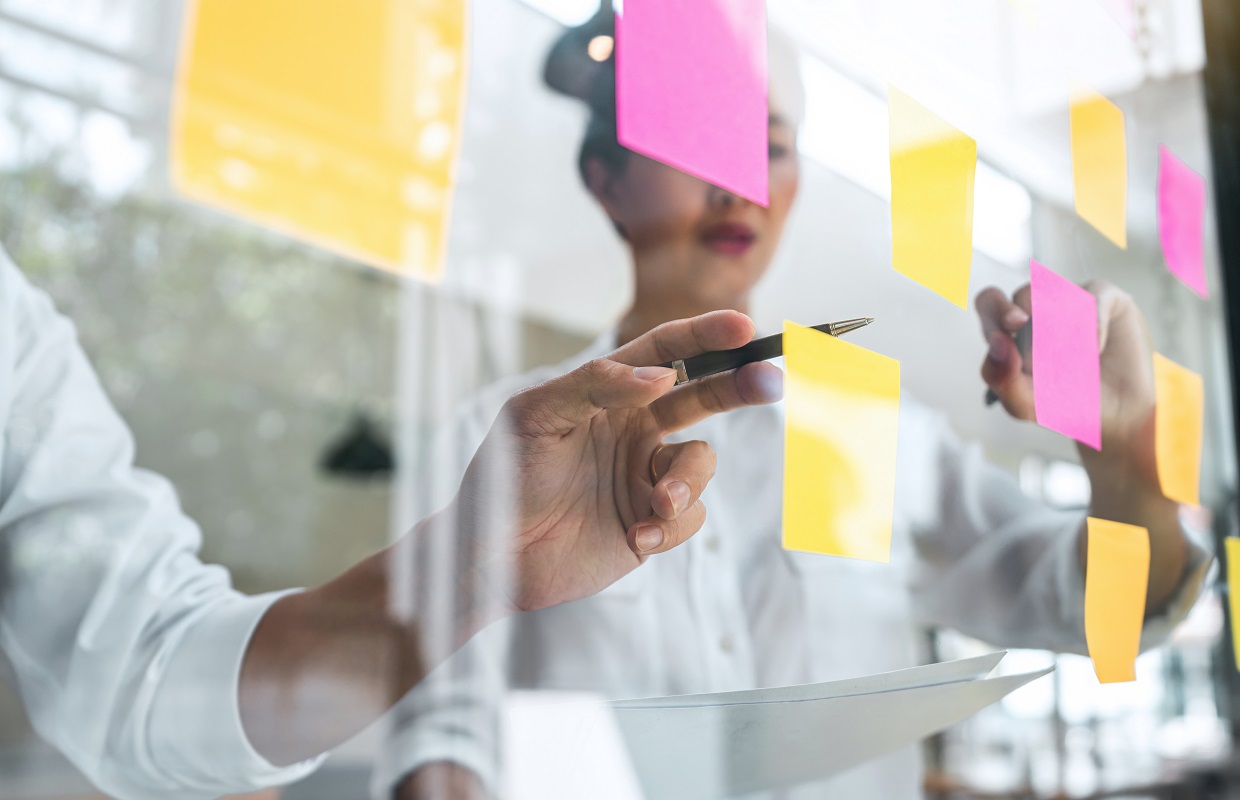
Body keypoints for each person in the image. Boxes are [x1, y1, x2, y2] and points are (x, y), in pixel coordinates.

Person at [383, 14, 1213, 800]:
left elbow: (1110, 607)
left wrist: (1126, 451)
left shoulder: (863, 430)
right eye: (694, 140)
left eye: (768, 146)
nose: (738, 183)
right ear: (605, 180)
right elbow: (440, 726)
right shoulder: (511, 440)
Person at [0, 239, 783, 799]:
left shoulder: (14, 335)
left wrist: (474, 572)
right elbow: (441, 745)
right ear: (604, 180)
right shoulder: (496, 420)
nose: (735, 188)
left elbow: (143, 665)